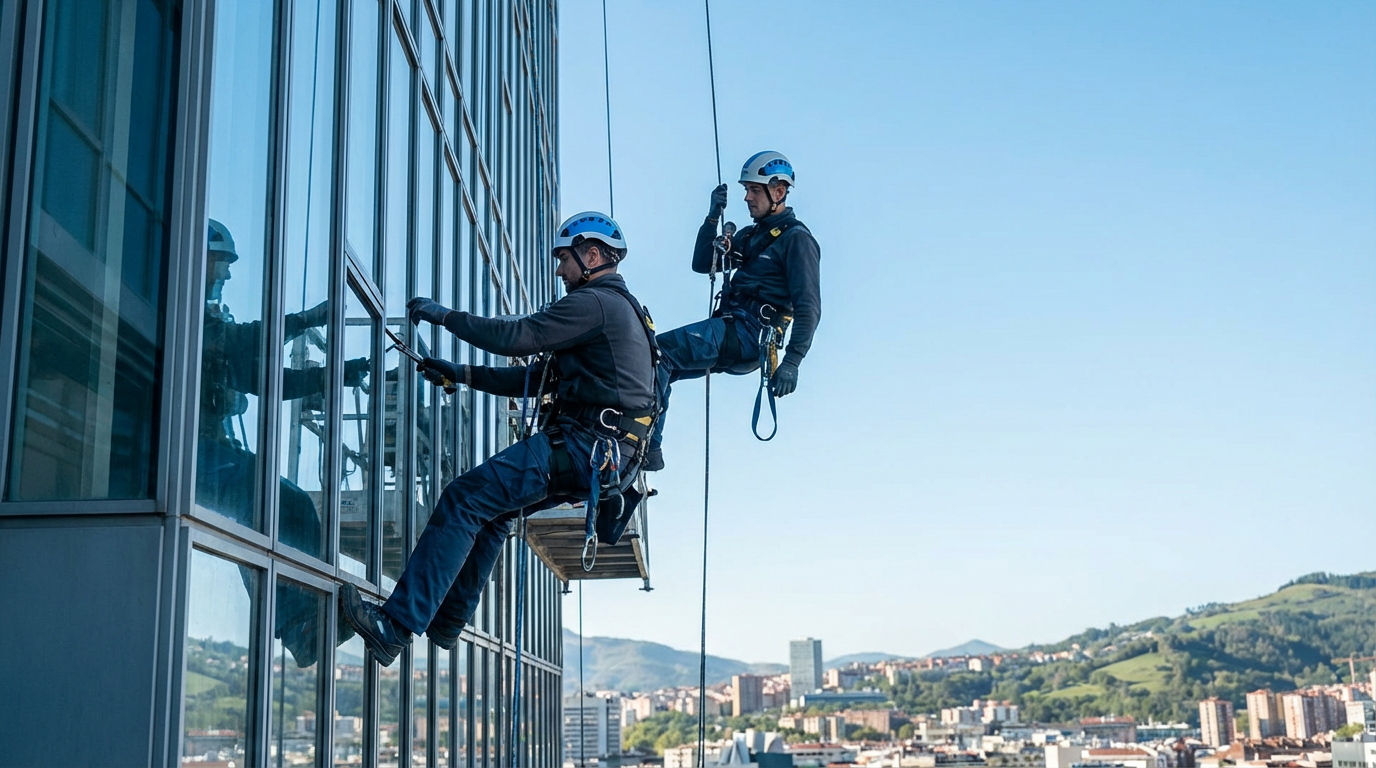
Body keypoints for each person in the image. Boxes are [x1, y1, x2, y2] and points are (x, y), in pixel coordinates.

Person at [339, 211, 657, 666]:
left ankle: (396, 626)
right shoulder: (614, 311)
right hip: (601, 455)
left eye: (565, 259)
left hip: (585, 446)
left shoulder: (595, 303)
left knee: (466, 498)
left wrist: (445, 317)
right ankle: (448, 619)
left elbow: (518, 336)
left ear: (592, 255)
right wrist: (460, 373)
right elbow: (537, 377)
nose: (560, 271)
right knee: (496, 512)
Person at [198, 219, 370, 666]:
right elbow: (249, 342)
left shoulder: (209, 326)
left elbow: (268, 379)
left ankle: (302, 624)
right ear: (200, 259)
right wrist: (308, 319)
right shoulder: (190, 317)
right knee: (274, 505)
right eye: (222, 264)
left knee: (284, 507)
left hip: (210, 451)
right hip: (193, 451)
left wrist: (339, 373)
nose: (227, 276)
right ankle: (300, 623)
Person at [643, 151, 822, 470]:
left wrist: (793, 361)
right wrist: (713, 216)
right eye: (746, 189)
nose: (747, 197)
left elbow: (809, 306)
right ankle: (642, 450)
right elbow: (701, 263)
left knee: (656, 355)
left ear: (778, 192)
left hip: (748, 334)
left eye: (754, 189)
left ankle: (647, 448)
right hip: (731, 330)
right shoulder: (752, 237)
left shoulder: (797, 240)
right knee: (657, 366)